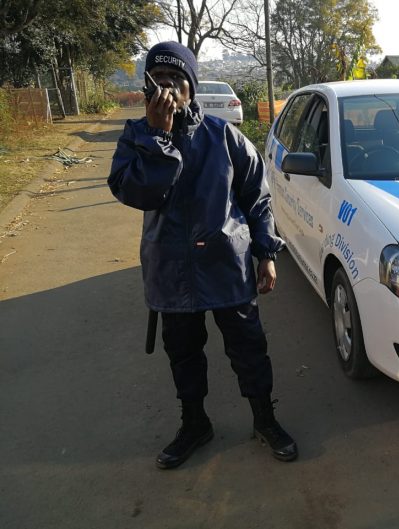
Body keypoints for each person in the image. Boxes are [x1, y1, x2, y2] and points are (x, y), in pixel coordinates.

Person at [108, 41, 296, 468]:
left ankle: (265, 419)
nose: (167, 87)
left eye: (176, 78)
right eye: (158, 78)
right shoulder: (136, 138)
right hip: (169, 270)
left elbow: (257, 198)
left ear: (191, 86)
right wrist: (158, 137)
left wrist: (266, 252)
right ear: (146, 87)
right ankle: (194, 423)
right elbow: (138, 194)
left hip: (226, 265)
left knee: (249, 348)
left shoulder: (224, 136)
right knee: (184, 354)